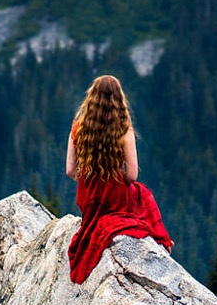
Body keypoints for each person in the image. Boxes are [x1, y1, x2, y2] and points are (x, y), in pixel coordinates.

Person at [65, 74, 172, 284]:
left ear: (92, 98)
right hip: (114, 197)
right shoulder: (124, 131)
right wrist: (110, 174)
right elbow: (132, 176)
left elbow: (70, 170)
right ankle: (162, 241)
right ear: (118, 100)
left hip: (88, 198)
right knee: (142, 194)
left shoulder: (78, 128)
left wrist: (91, 174)